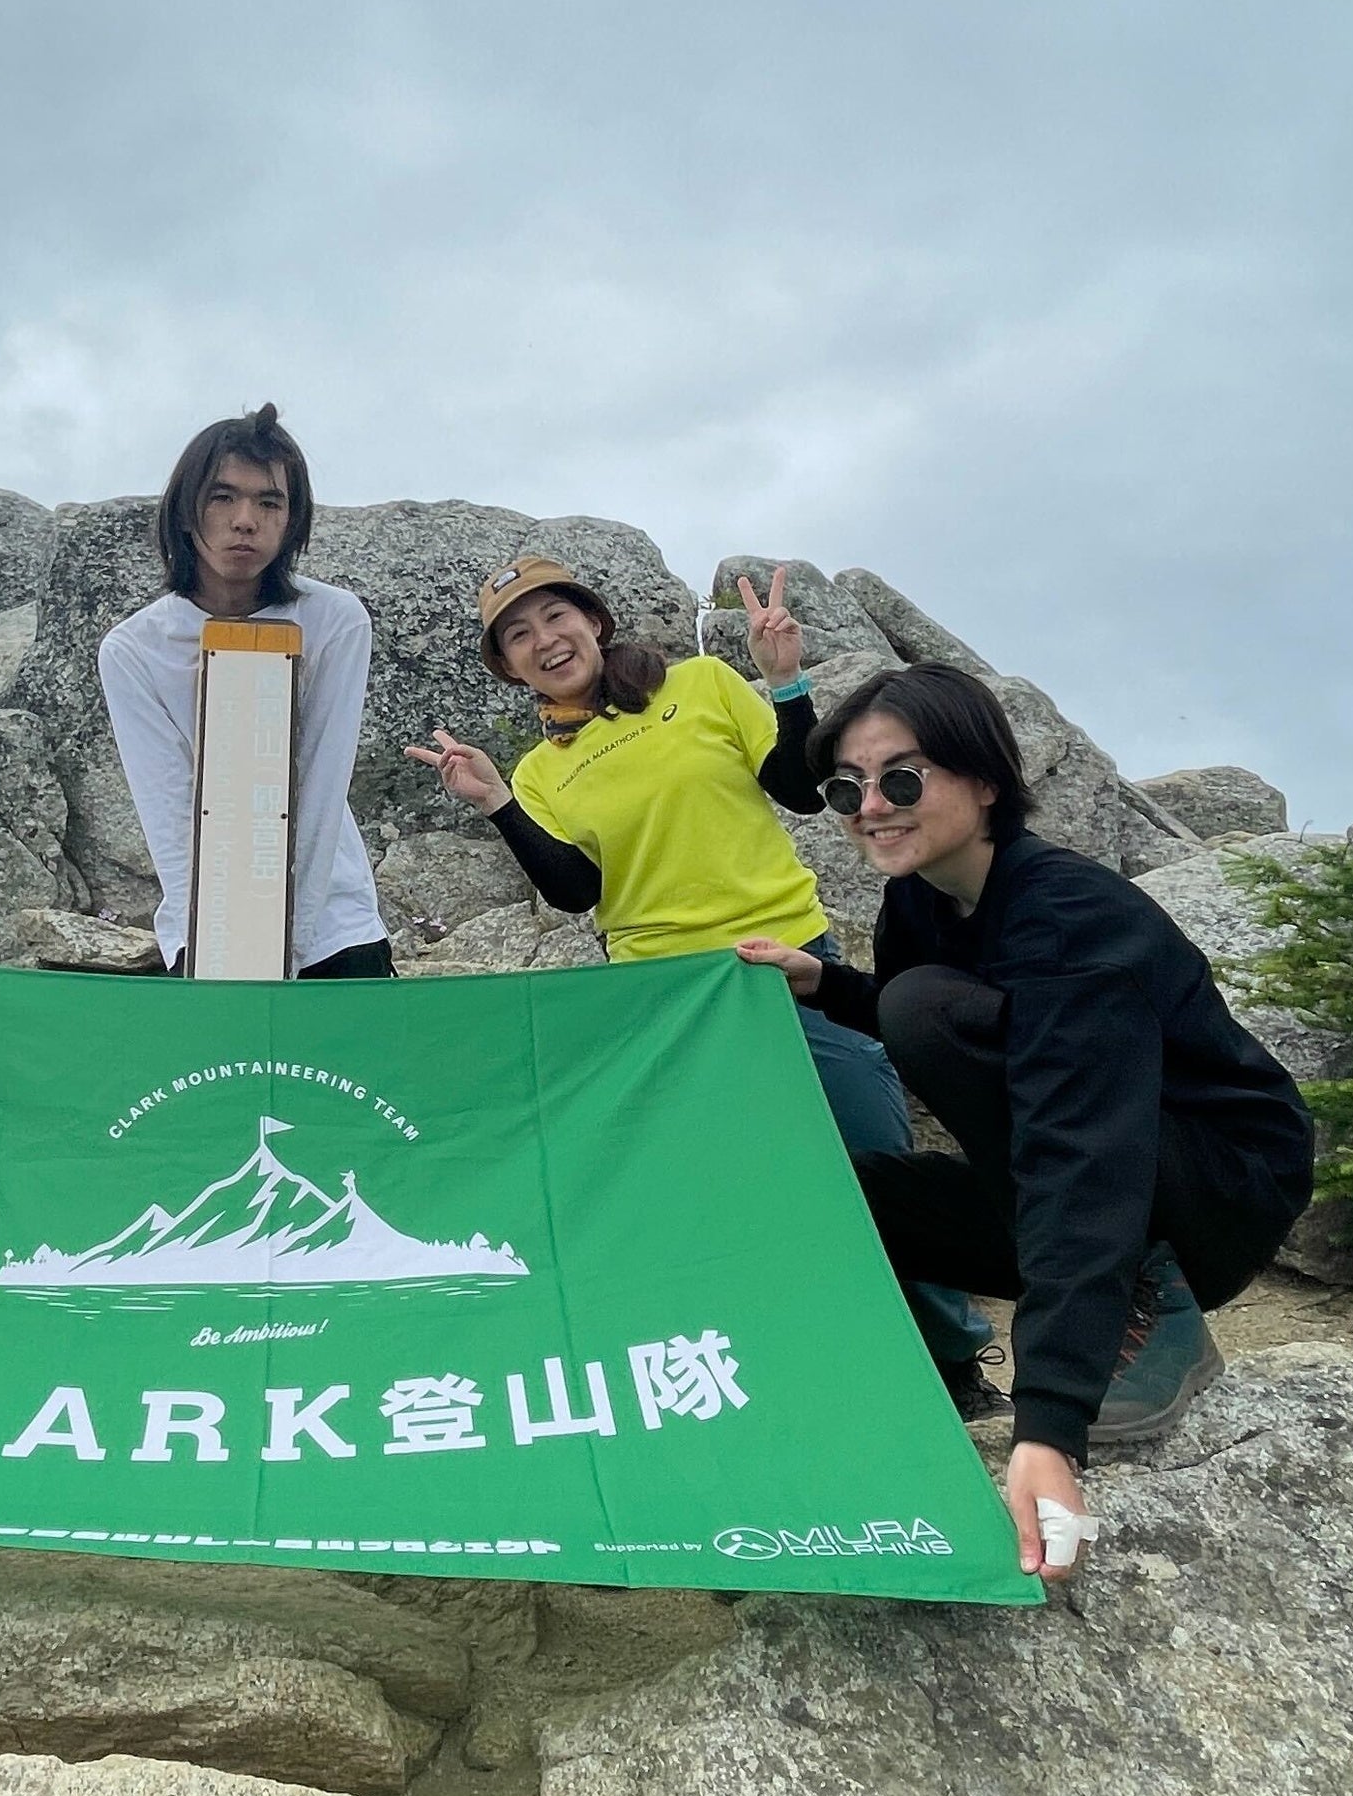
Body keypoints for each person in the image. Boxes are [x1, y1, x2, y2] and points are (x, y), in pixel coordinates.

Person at [736, 660, 1315, 1585]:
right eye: (847, 786)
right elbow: (986, 1024)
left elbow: (1078, 1145)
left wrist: (1049, 1425)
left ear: (986, 780)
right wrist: (828, 985)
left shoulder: (1069, 914)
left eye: (902, 777)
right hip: (1070, 1168)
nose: (870, 805)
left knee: (923, 1008)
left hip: (1213, 1185)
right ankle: (834, 1417)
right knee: (830, 1193)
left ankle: (1147, 1300)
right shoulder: (919, 898)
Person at [405, 558, 997, 1405]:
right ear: (508, 664)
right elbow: (578, 891)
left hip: (790, 961)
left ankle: (953, 1360)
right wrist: (499, 800)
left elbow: (798, 790)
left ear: (594, 622)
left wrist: (786, 682)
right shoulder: (541, 770)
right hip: (665, 999)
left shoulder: (706, 685)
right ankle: (785, 1364)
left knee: (873, 1152)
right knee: (721, 1185)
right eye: (518, 635)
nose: (544, 640)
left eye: (554, 617)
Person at [98, 403, 395, 979]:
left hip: (334, 930)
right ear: (187, 511)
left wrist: (292, 940)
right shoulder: (135, 649)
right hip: (209, 931)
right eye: (222, 497)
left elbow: (321, 783)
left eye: (269, 502)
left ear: (292, 520)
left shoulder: (334, 621)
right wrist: (214, 939)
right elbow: (170, 812)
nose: (244, 520)